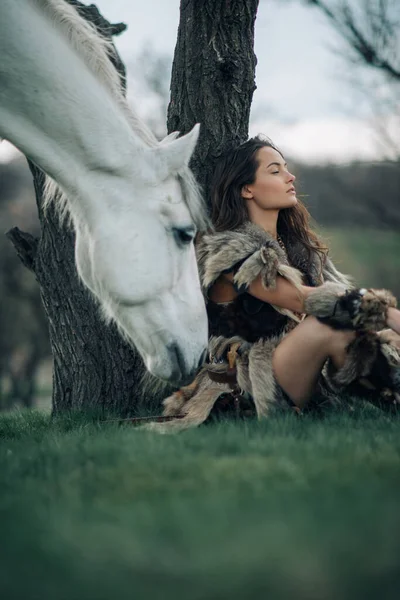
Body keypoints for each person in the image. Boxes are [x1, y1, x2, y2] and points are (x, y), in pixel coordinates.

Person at [146, 136, 400, 433]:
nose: (290, 177)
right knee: (328, 325)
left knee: (381, 339)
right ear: (247, 188)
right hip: (249, 385)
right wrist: (384, 311)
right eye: (275, 171)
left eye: (287, 168)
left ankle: (390, 402)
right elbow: (302, 299)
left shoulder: (299, 248)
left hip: (301, 370)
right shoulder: (228, 250)